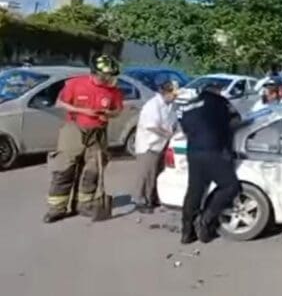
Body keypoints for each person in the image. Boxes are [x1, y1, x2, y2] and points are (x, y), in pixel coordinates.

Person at [43, 54, 124, 223]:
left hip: (98, 132)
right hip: (74, 129)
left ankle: (84, 204)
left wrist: (109, 114)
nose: (109, 79)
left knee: (92, 170)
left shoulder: (113, 91)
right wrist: (83, 111)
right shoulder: (76, 84)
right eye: (106, 76)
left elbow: (118, 110)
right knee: (65, 168)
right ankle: (57, 208)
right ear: (95, 73)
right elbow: (60, 103)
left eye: (110, 76)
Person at [177, 84, 241, 244]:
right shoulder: (220, 102)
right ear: (216, 91)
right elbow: (236, 121)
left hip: (193, 153)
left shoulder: (186, 106)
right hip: (214, 152)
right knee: (230, 186)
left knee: (194, 191)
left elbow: (184, 128)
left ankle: (186, 232)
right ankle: (206, 220)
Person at [133, 80, 179, 214]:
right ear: (165, 92)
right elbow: (152, 126)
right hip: (149, 145)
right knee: (146, 174)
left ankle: (152, 198)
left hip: (161, 144)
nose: (175, 97)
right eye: (173, 94)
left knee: (157, 174)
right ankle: (139, 200)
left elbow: (173, 122)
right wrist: (168, 134)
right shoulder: (153, 105)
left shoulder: (170, 105)